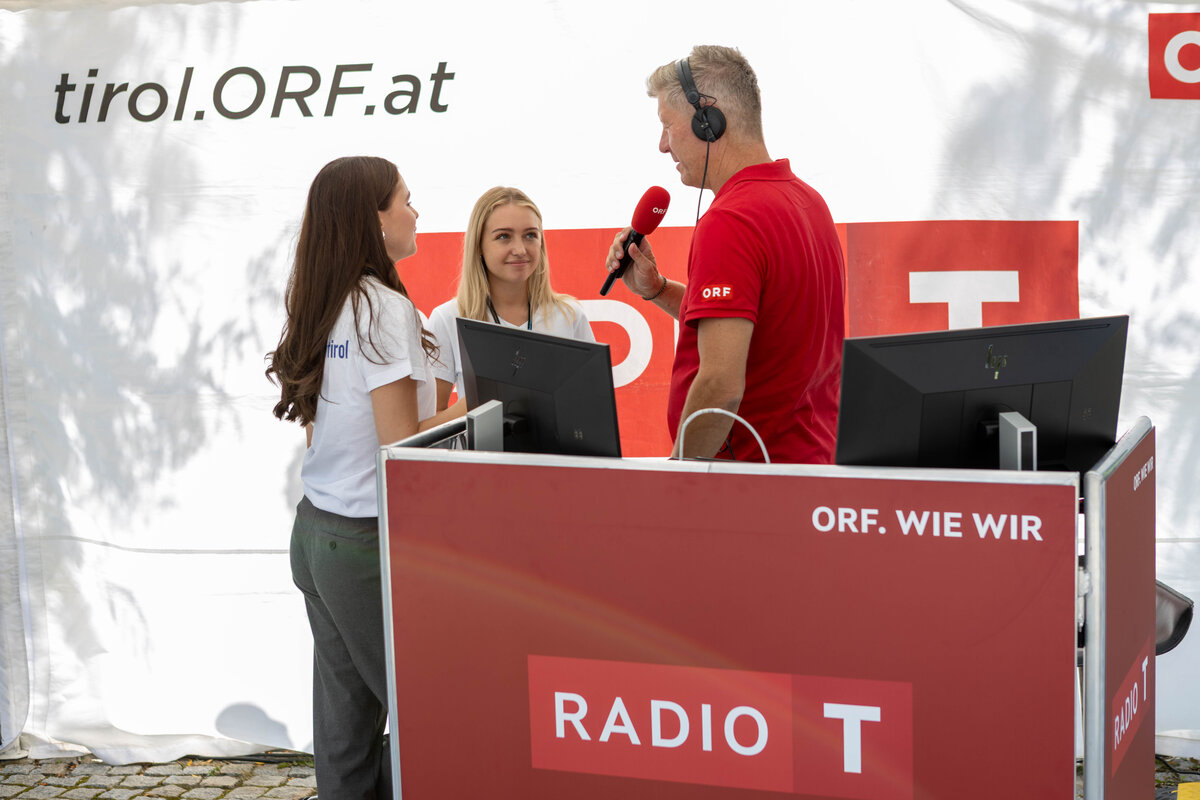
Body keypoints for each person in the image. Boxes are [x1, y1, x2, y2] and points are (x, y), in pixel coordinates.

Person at [265, 156, 459, 799]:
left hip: (317, 533)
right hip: (364, 542)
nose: (415, 212)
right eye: (406, 199)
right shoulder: (384, 307)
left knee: (345, 731)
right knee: (433, 712)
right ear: (373, 219)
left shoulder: (326, 299)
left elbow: (321, 428)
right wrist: (478, 410)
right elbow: (399, 448)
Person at [604, 45, 845, 463]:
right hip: (808, 469)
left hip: (752, 480)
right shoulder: (809, 201)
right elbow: (757, 327)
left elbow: (720, 385)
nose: (663, 145)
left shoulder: (732, 219)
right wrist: (657, 289)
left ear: (708, 121)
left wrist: (677, 480)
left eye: (667, 125)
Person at [428, 186, 594, 409]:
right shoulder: (448, 318)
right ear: (479, 245)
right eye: (503, 236)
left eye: (530, 235)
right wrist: (484, 400)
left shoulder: (569, 315)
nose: (520, 249)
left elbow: (591, 406)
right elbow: (433, 423)